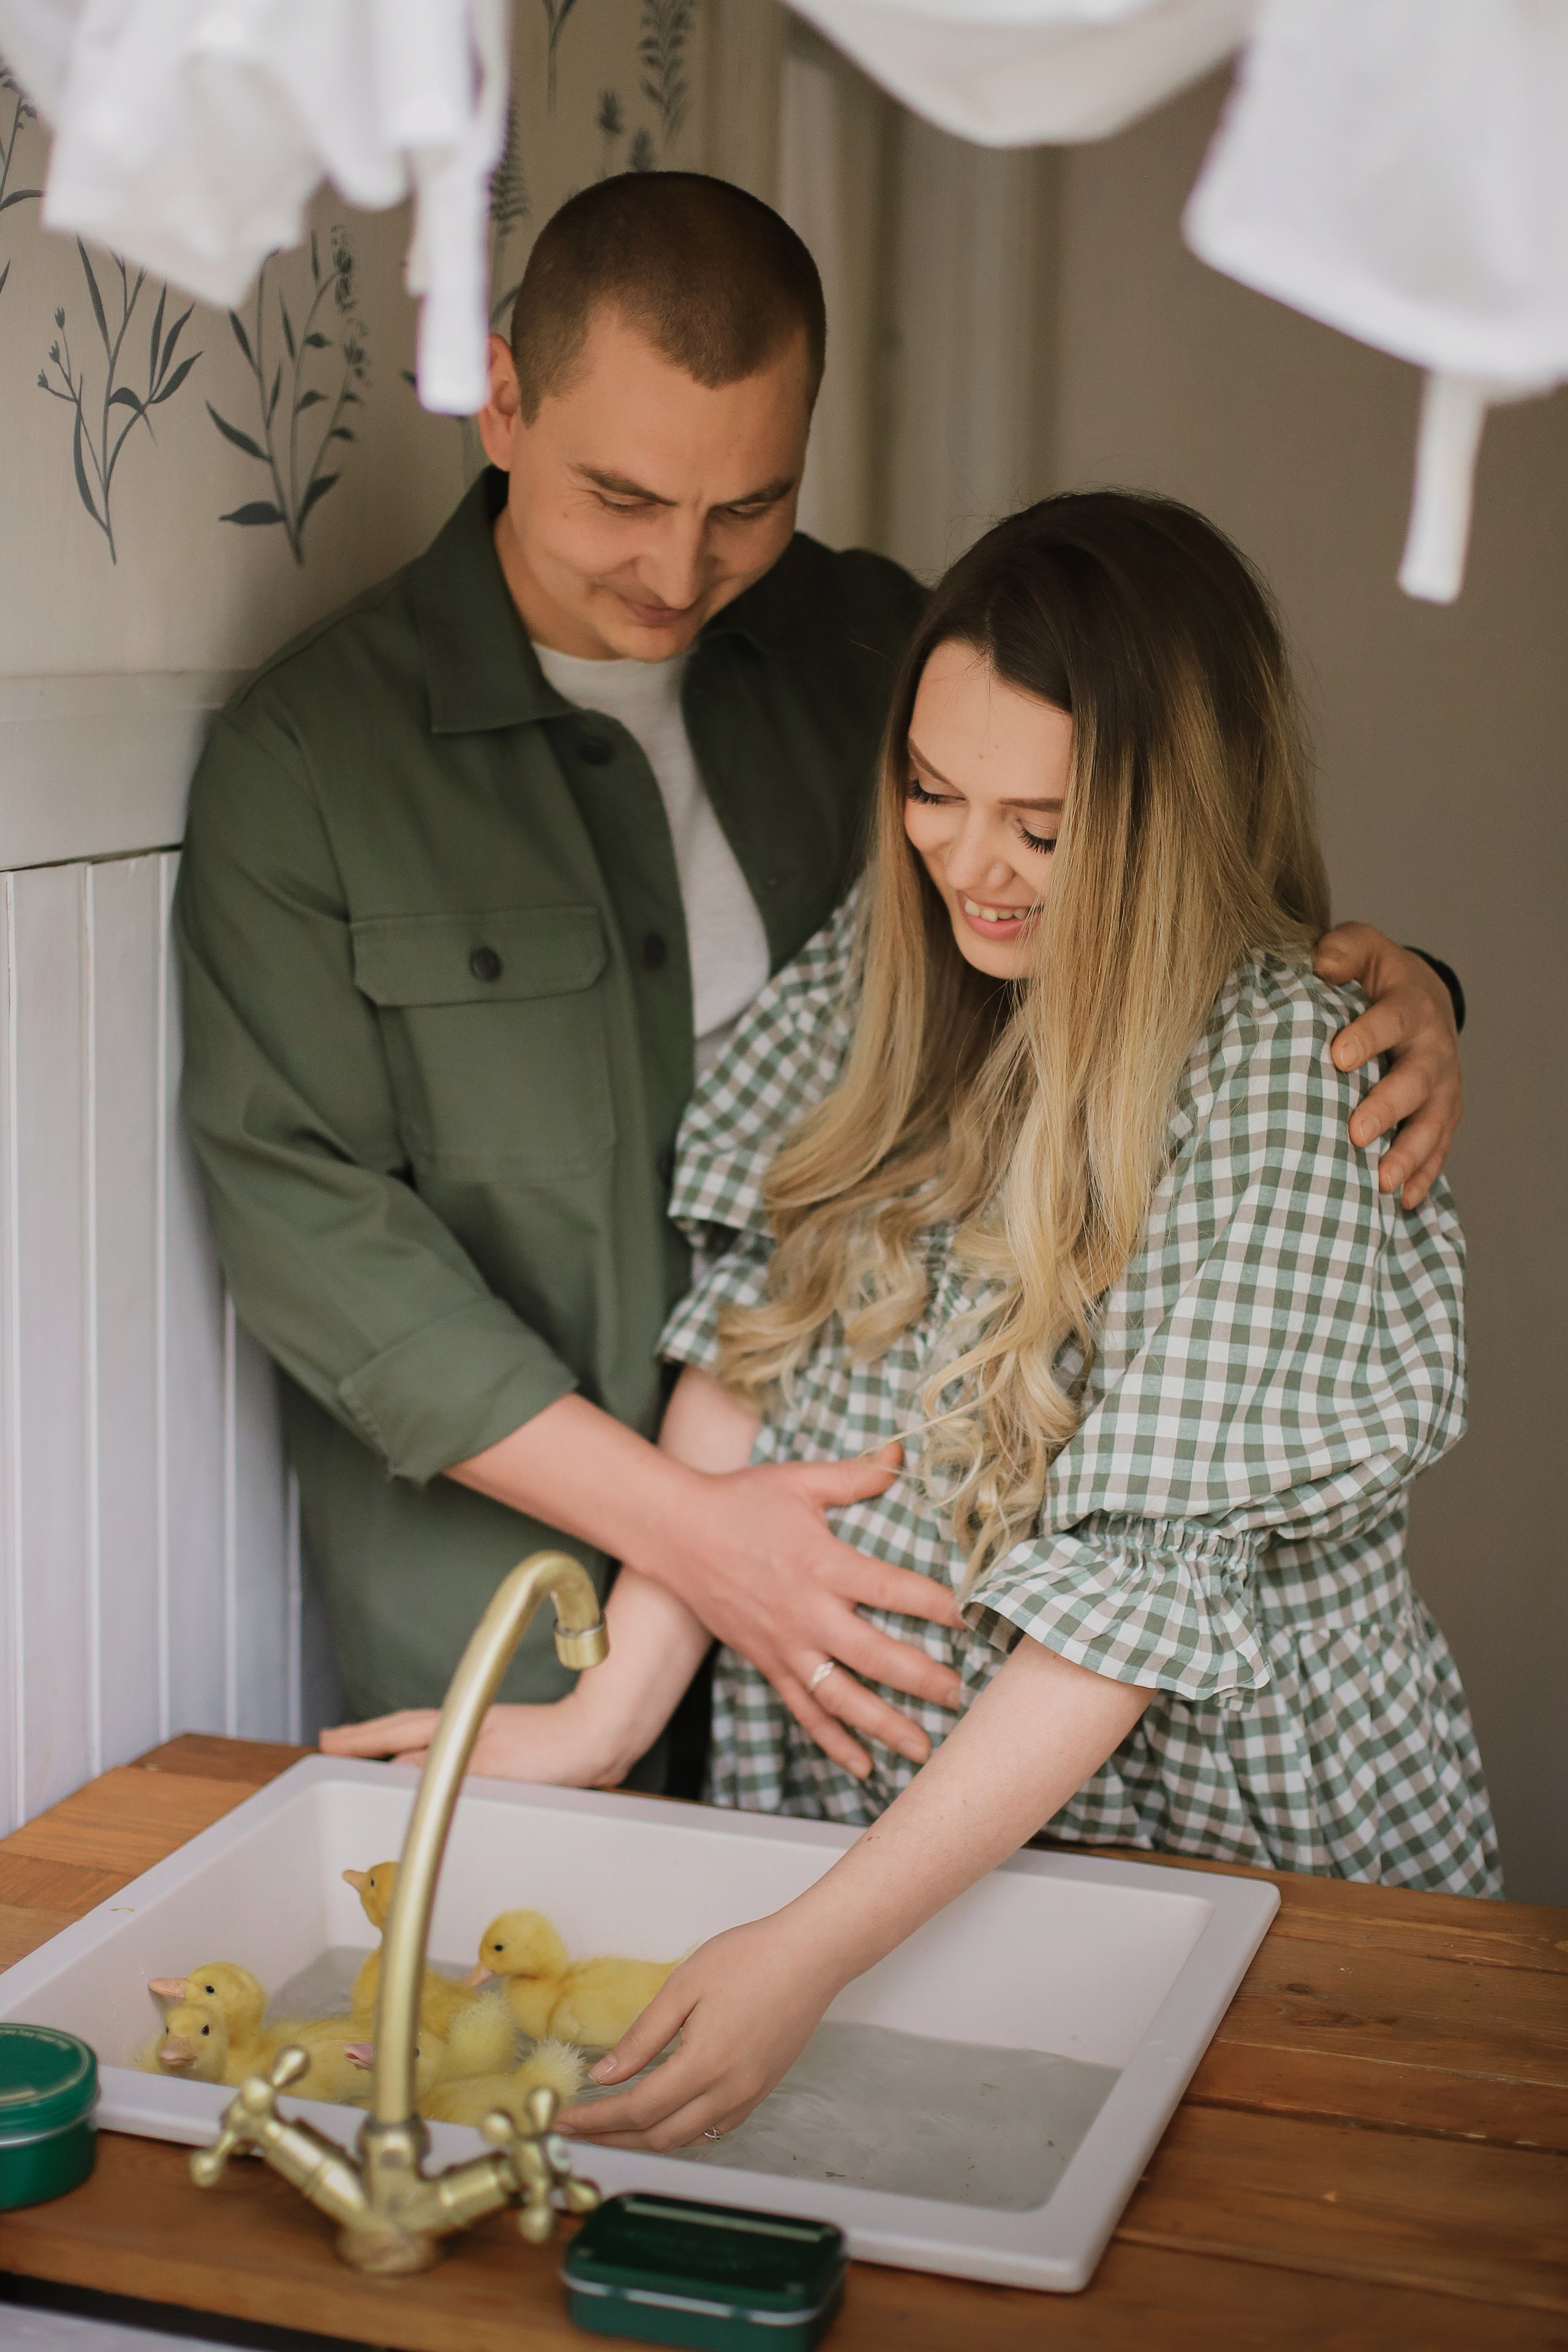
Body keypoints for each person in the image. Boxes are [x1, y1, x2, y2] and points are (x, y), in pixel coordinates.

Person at [176, 172, 1466, 1779]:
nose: (678, 568)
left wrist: (1395, 989)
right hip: (526, 1590)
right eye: (624, 499)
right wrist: (699, 1539)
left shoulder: (881, 643)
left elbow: (1135, 886)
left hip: (879, 1645)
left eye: (746, 507)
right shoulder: (310, 758)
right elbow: (311, 1222)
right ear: (500, 402)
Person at [341, 493, 1498, 2157]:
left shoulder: (1286, 1088)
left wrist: (807, 1952)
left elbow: (1124, 1616)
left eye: (1043, 822)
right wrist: (614, 1709)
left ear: (1173, 818)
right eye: (936, 794)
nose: (971, 862)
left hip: (1210, 1851)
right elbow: (754, 1331)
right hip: (877, 1848)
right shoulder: (896, 973)